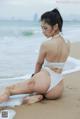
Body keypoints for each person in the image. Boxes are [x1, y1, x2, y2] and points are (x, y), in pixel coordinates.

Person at [0, 8, 70, 104]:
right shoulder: (67, 43)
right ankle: (38, 95)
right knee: (35, 88)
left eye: (45, 28)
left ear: (55, 27)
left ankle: (35, 93)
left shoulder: (46, 44)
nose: (43, 31)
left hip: (45, 81)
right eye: (41, 28)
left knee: (9, 89)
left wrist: (33, 78)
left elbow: (39, 63)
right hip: (58, 88)